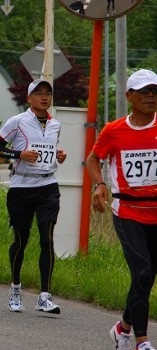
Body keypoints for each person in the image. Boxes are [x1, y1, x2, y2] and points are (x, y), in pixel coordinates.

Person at [87, 69, 157, 350]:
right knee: (141, 274)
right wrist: (100, 184)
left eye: (155, 91)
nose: (151, 96)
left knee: (148, 277)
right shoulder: (114, 131)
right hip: (128, 211)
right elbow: (94, 158)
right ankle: (141, 341)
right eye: (144, 91)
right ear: (129, 96)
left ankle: (122, 328)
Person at [0, 78, 67, 314]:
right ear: (29, 98)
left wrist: (59, 155)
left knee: (47, 239)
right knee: (21, 241)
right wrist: (19, 154)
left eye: (48, 93)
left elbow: (50, 151)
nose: (44, 97)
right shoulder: (18, 121)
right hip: (22, 188)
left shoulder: (56, 125)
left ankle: (44, 296)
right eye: (39, 93)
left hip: (48, 186)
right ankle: (15, 288)